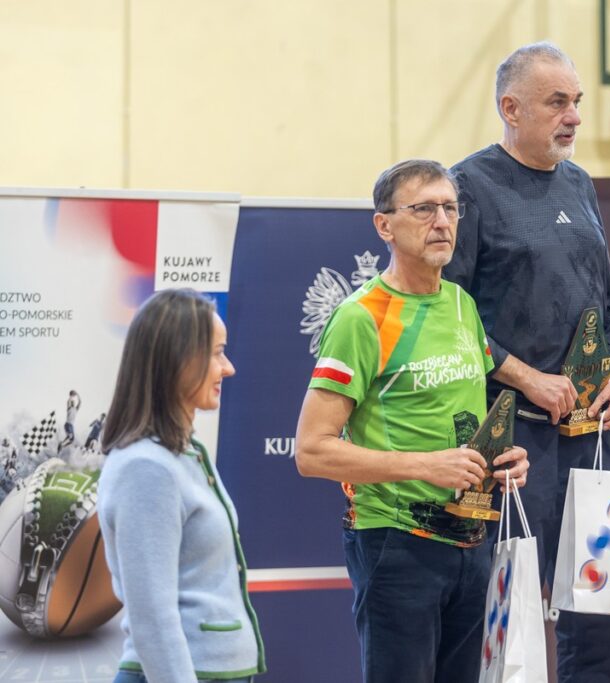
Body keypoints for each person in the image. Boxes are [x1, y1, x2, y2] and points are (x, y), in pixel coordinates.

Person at [294, 159, 529, 683]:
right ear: (385, 225)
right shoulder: (362, 317)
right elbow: (311, 451)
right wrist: (428, 465)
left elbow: (463, 423)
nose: (441, 221)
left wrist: (503, 460)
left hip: (472, 537)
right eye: (423, 208)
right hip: (397, 542)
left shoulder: (462, 303)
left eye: (450, 208)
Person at [443, 42, 610, 681]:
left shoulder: (580, 184)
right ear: (511, 108)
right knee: (511, 616)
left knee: (604, 618)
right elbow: (449, 317)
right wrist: (526, 377)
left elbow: (607, 300)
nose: (573, 115)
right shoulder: (465, 187)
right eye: (558, 102)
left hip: (590, 440)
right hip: (511, 441)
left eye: (577, 101)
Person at [98, 288, 265, 683]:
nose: (229, 368)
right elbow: (152, 617)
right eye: (217, 352)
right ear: (179, 359)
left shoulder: (186, 453)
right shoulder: (146, 467)